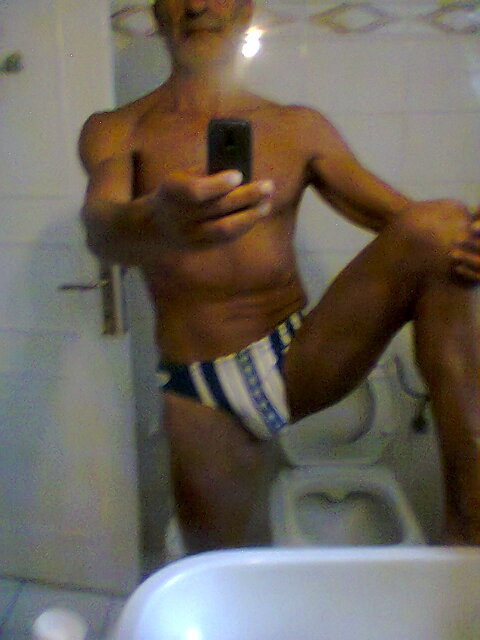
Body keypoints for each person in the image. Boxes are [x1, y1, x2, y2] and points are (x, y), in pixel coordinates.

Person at [79, 0, 480, 552]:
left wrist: (470, 240)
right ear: (156, 10)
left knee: (444, 228)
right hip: (200, 385)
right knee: (220, 567)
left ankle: (469, 529)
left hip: (300, 357)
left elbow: (413, 228)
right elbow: (101, 228)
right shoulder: (118, 128)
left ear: (245, 10)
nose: (198, 5)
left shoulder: (298, 127)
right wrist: (156, 220)